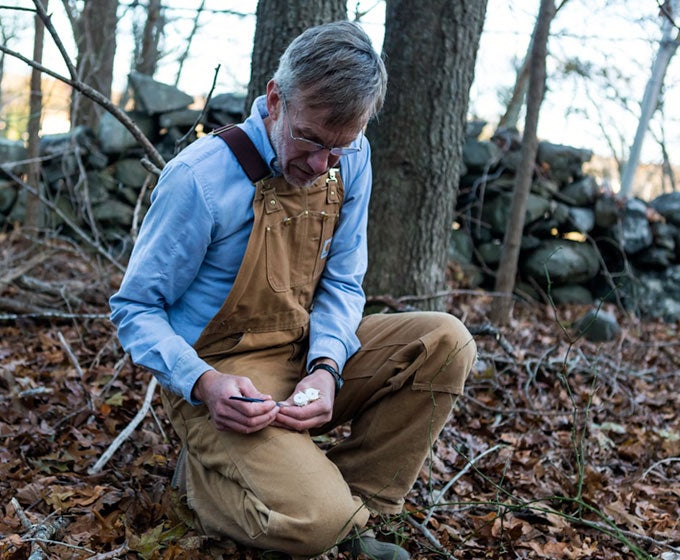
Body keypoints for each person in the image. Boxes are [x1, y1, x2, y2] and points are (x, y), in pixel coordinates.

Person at [110, 20, 476, 560]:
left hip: (304, 355)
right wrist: (204, 383)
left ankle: (350, 508)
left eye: (338, 149)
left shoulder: (351, 158)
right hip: (225, 379)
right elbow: (135, 308)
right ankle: (209, 490)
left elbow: (345, 282)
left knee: (446, 341)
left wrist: (327, 367)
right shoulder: (200, 178)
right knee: (314, 522)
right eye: (310, 141)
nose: (321, 165)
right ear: (275, 99)